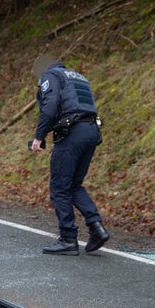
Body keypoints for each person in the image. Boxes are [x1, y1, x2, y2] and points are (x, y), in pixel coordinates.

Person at [29, 55, 109, 255]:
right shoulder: (78, 77)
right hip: (91, 131)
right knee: (74, 184)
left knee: (59, 187)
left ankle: (68, 239)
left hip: (71, 132)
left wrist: (39, 137)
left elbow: (50, 107)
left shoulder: (51, 75)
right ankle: (96, 227)